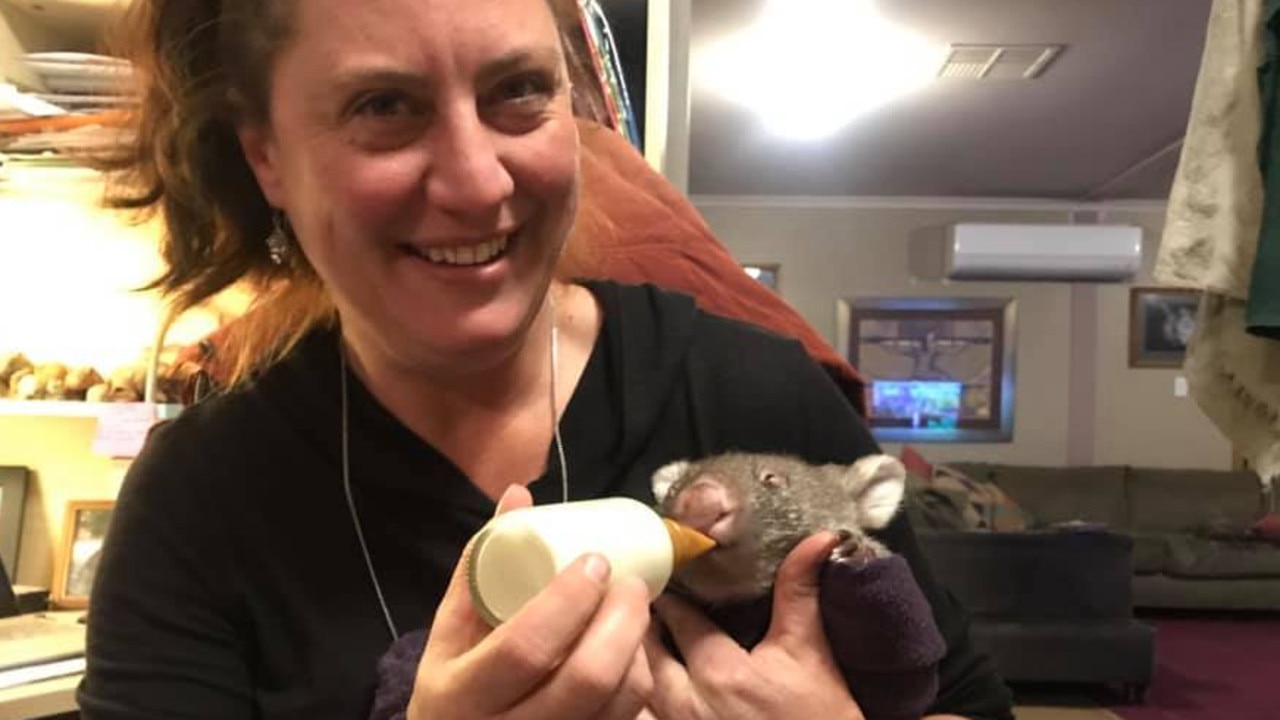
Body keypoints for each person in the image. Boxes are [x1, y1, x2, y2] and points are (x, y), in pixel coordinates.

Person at [79, 0, 1016, 718]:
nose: (479, 179)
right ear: (267, 157)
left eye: (517, 91)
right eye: (383, 106)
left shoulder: (753, 390)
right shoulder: (204, 500)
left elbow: (967, 698)